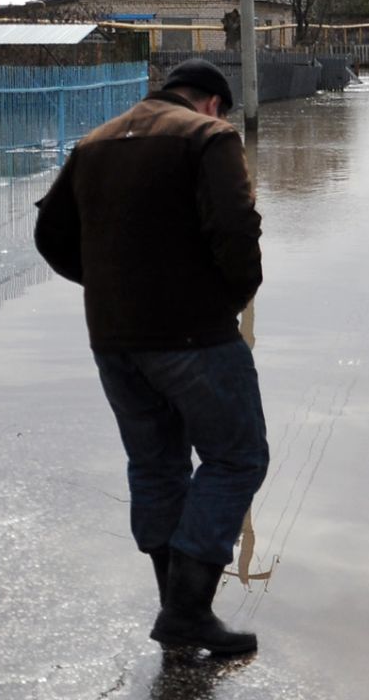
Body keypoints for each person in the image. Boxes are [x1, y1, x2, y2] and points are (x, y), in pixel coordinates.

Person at [34, 59, 269, 657]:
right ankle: (188, 610)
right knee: (237, 457)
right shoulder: (209, 137)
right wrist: (228, 299)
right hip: (194, 337)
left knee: (156, 466)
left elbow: (50, 236)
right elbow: (237, 230)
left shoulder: (96, 142)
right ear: (212, 102)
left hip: (114, 340)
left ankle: (176, 609)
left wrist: (110, 291)